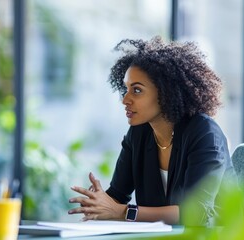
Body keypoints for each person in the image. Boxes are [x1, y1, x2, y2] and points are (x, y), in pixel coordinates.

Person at [68, 36, 233, 226]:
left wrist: (122, 212)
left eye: (137, 90)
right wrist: (98, 203)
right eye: (126, 89)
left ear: (166, 93)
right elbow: (117, 197)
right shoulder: (138, 134)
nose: (125, 99)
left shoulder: (204, 133)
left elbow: (196, 213)